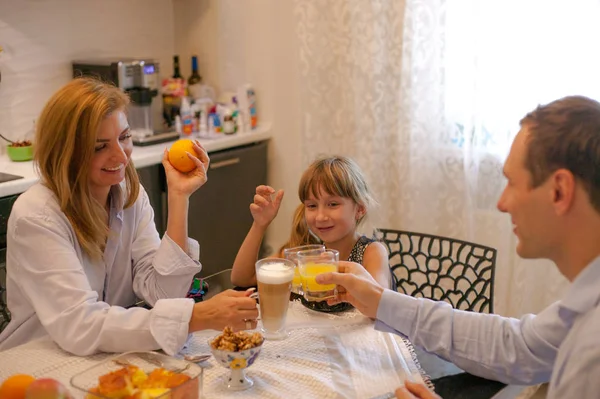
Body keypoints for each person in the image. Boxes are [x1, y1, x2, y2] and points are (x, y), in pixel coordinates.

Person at [317, 95, 600, 398]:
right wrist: (381, 300)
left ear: (560, 190)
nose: (502, 203)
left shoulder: (591, 352)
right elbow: (517, 346)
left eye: (512, 183)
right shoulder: (582, 311)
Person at [0, 78, 258, 356]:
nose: (121, 156)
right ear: (64, 152)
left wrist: (179, 198)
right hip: (38, 361)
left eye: (124, 137)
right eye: (100, 146)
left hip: (106, 354)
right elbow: (79, 324)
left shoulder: (127, 196)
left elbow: (161, 293)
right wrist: (199, 316)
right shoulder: (37, 217)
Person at [230, 156, 391, 310]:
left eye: (333, 204)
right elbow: (242, 278)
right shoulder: (304, 252)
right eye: (312, 206)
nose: (320, 217)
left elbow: (382, 306)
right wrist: (260, 225)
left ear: (360, 209)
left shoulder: (372, 252)